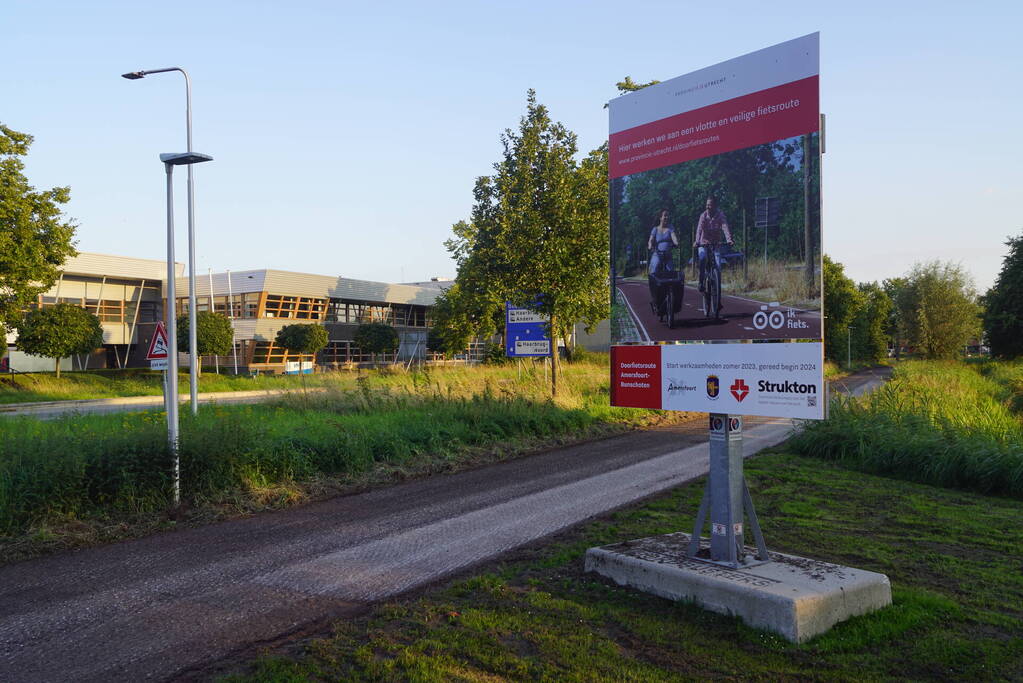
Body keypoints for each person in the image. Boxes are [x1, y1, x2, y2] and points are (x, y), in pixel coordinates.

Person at [693, 196, 733, 293]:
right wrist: (697, 241)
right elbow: (699, 229)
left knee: (718, 267)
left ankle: (717, 292)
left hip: (716, 244)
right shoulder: (703, 216)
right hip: (703, 243)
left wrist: (729, 239)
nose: (707, 207)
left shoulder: (720, 215)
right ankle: (701, 281)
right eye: (707, 205)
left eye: (710, 205)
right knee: (702, 259)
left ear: (715, 206)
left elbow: (725, 227)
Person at [647, 208, 678, 275]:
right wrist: (650, 246)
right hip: (657, 254)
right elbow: (651, 240)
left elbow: (674, 237)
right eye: (665, 216)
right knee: (654, 268)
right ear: (660, 218)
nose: (667, 217)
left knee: (671, 271)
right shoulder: (655, 229)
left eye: (667, 216)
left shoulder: (670, 228)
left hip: (667, 254)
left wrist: (676, 243)